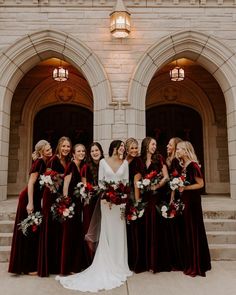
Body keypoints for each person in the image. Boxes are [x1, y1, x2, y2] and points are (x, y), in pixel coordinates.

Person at [56, 140, 132, 292]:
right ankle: (104, 263)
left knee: (119, 233)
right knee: (107, 232)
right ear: (114, 149)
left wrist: (121, 197)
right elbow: (101, 182)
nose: (123, 149)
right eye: (121, 147)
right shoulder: (103, 162)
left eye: (124, 147)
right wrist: (109, 195)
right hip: (106, 202)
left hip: (120, 204)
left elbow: (126, 183)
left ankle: (120, 264)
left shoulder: (125, 164)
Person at [8, 140, 52, 275]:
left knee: (32, 232)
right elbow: (31, 183)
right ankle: (26, 267)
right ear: (41, 152)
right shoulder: (39, 162)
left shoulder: (45, 162)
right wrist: (30, 203)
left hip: (36, 200)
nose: (50, 151)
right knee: (28, 232)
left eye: (50, 148)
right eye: (47, 149)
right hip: (28, 199)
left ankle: (27, 265)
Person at [176, 141, 211, 277]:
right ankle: (191, 260)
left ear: (185, 151)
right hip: (186, 201)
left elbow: (200, 184)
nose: (177, 151)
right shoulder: (183, 165)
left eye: (179, 149)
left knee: (193, 230)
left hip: (193, 202)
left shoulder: (193, 165)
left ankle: (197, 264)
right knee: (188, 231)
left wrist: (185, 188)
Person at [38, 136, 72, 277]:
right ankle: (49, 266)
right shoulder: (53, 160)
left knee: (61, 230)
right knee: (51, 229)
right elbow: (47, 180)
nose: (66, 149)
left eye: (68, 146)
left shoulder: (69, 161)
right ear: (59, 146)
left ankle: (61, 263)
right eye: (63, 146)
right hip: (51, 197)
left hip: (62, 197)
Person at [140, 136, 170, 272]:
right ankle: (146, 262)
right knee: (145, 226)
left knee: (156, 226)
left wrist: (155, 186)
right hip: (144, 197)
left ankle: (156, 262)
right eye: (153, 144)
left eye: (155, 144)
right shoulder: (140, 160)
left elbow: (166, 177)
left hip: (156, 197)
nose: (154, 146)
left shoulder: (159, 158)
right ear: (146, 145)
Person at [60, 143, 88, 275]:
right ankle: (67, 266)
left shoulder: (81, 166)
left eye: (83, 151)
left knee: (77, 233)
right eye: (79, 151)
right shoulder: (71, 165)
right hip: (70, 205)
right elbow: (65, 185)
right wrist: (65, 204)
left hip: (78, 205)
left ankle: (76, 265)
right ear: (73, 154)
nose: (81, 153)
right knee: (69, 234)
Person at [81, 142, 104, 263]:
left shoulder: (105, 165)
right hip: (90, 202)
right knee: (90, 230)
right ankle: (91, 259)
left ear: (101, 151)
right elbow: (85, 185)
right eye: (92, 151)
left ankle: (102, 258)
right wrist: (94, 189)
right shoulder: (86, 167)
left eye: (97, 150)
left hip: (103, 201)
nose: (95, 153)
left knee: (102, 229)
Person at [125, 137, 146, 273]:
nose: (134, 150)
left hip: (133, 196)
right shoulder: (124, 161)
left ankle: (136, 261)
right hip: (123, 195)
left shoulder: (138, 161)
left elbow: (136, 183)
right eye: (131, 148)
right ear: (127, 149)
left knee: (134, 228)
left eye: (136, 148)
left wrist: (137, 202)